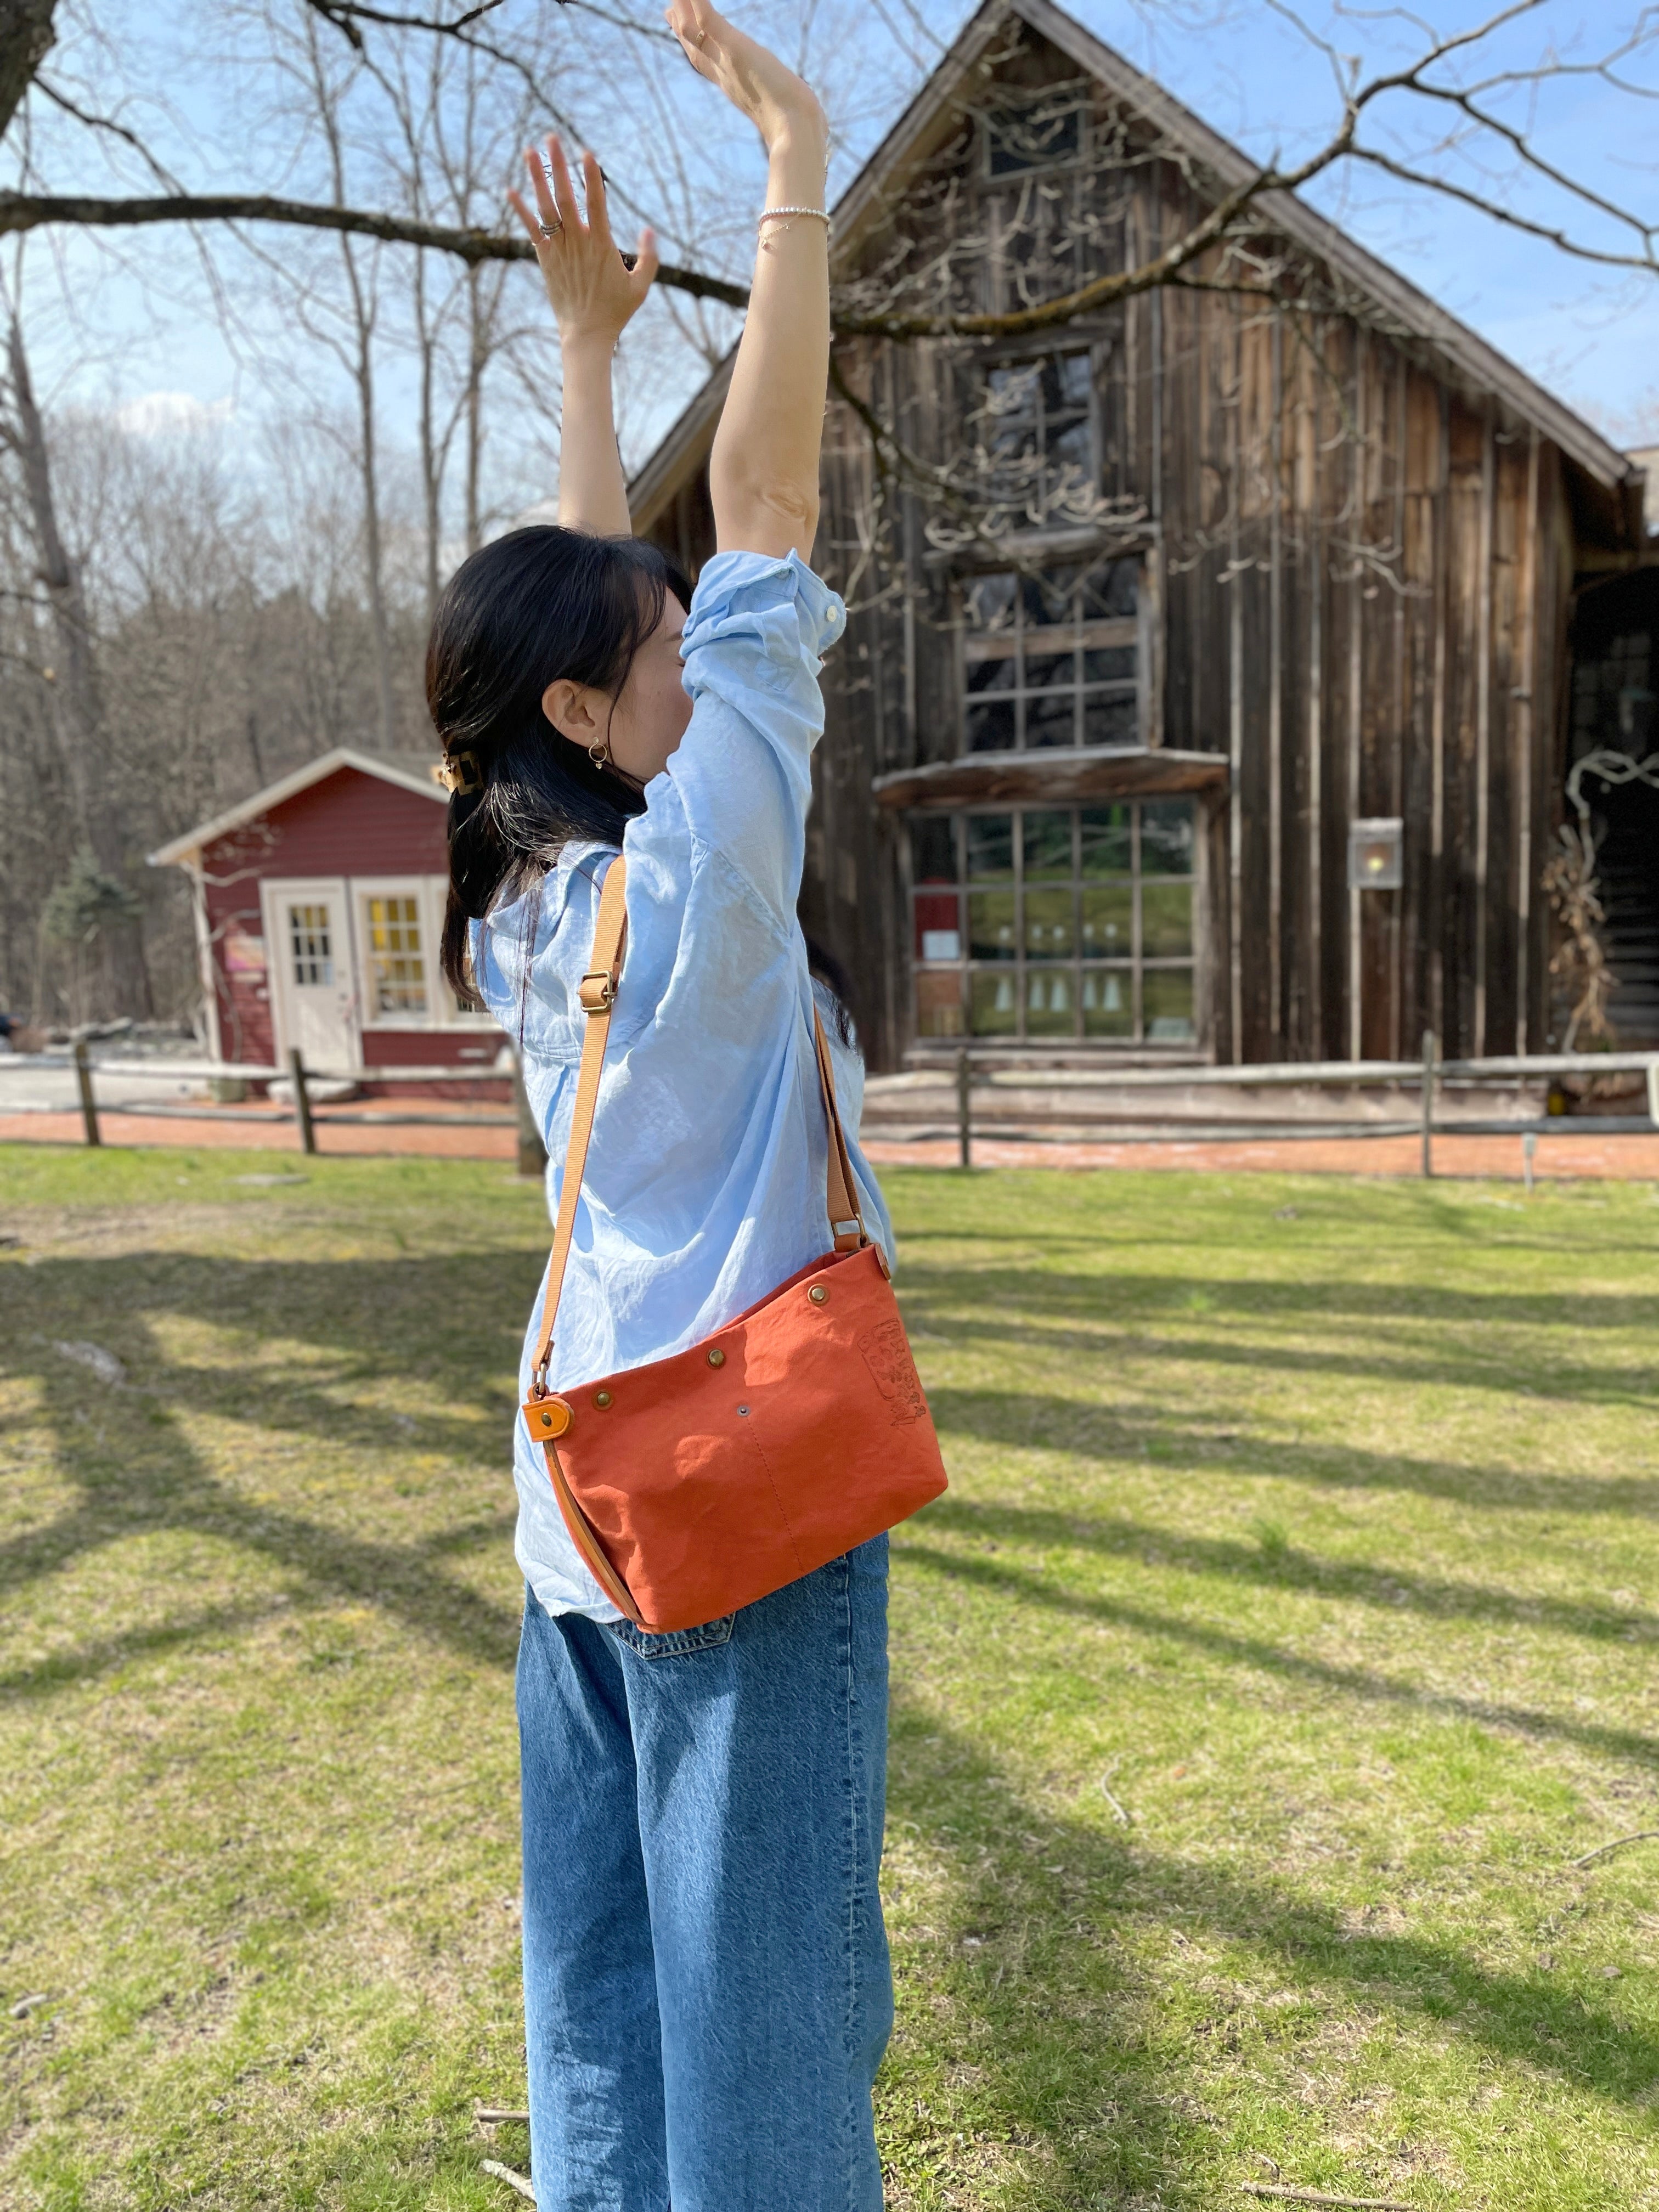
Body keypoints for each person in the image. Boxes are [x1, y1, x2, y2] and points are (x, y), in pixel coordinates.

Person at [425, 7, 895, 2207]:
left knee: (602, 2000)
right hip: (745, 1496)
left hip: (575, 1512)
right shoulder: (699, 866)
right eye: (673, 637)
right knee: (768, 2017)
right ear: (601, 708)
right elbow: (773, 508)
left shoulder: (530, 875)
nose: (708, 636)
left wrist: (596, 361)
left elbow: (567, 606)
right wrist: (794, 168)